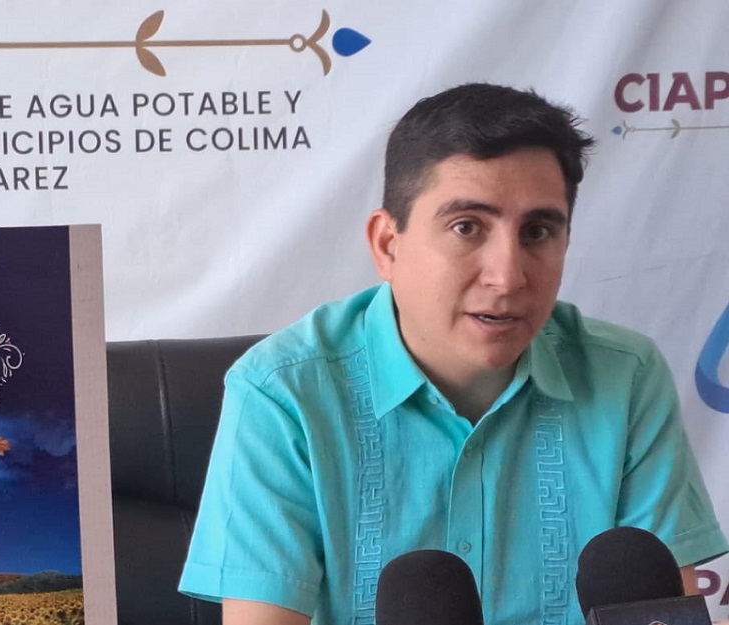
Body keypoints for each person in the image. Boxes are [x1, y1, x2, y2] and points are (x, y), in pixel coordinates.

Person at [177, 83, 728, 625]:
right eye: (467, 227)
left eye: (538, 232)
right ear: (387, 245)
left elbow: (659, 613)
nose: (508, 277)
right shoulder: (281, 391)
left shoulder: (626, 377)